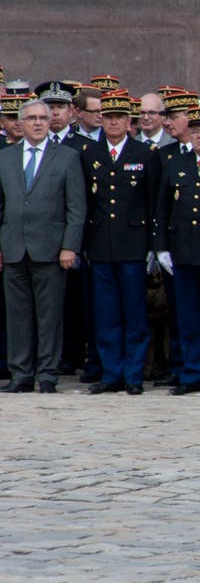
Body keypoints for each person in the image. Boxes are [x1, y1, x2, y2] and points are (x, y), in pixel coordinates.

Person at [0, 99, 86, 393]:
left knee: (49, 316)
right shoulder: (5, 157)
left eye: (42, 118)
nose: (37, 123)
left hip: (51, 249)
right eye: (31, 118)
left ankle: (47, 374)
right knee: (17, 315)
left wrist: (69, 247)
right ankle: (21, 373)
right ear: (20, 123)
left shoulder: (67, 157)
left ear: (50, 123)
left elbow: (76, 208)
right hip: (13, 248)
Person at [82, 89, 158, 395]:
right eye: (109, 117)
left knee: (134, 312)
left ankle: (134, 374)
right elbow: (85, 201)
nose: (114, 123)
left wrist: (153, 245)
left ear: (130, 122)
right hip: (101, 242)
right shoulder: (90, 153)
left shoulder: (144, 155)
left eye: (119, 118)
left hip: (133, 243)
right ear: (102, 120)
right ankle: (111, 372)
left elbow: (152, 203)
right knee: (106, 312)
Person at [153, 103, 200, 396]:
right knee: (187, 319)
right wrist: (161, 248)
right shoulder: (176, 164)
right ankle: (191, 374)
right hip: (182, 251)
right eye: (196, 131)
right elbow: (162, 209)